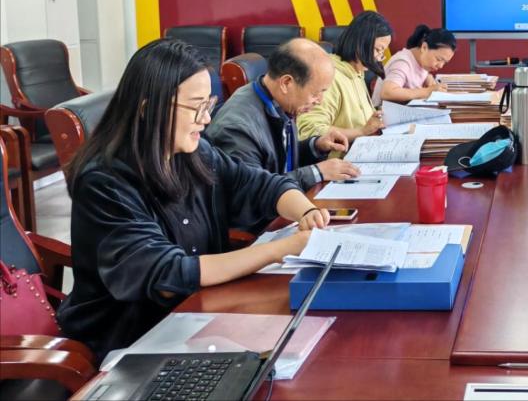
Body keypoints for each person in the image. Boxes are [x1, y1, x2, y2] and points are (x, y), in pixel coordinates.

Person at [56, 39, 333, 359]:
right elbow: (168, 276)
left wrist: (306, 211)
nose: (206, 119)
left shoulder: (193, 151)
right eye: (196, 107)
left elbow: (258, 183)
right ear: (148, 109)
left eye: (209, 104)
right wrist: (279, 250)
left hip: (199, 316)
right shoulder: (105, 182)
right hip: (134, 338)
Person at [205, 38, 361, 231]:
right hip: (260, 228)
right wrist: (316, 172)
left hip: (282, 211)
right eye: (316, 93)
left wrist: (314, 145)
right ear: (287, 82)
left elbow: (277, 159)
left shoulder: (277, 101)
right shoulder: (238, 128)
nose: (319, 101)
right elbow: (253, 196)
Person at [298, 11, 389, 156]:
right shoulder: (331, 77)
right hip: (339, 163)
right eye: (377, 50)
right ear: (360, 42)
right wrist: (361, 132)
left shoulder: (356, 72)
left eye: (382, 52)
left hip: (361, 155)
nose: (378, 58)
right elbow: (310, 130)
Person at [372, 24, 457, 105]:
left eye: (445, 62)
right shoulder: (402, 62)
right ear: (424, 47)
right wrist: (427, 91)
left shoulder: (422, 61)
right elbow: (387, 92)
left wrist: (428, 76)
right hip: (382, 113)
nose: (441, 66)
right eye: (438, 59)